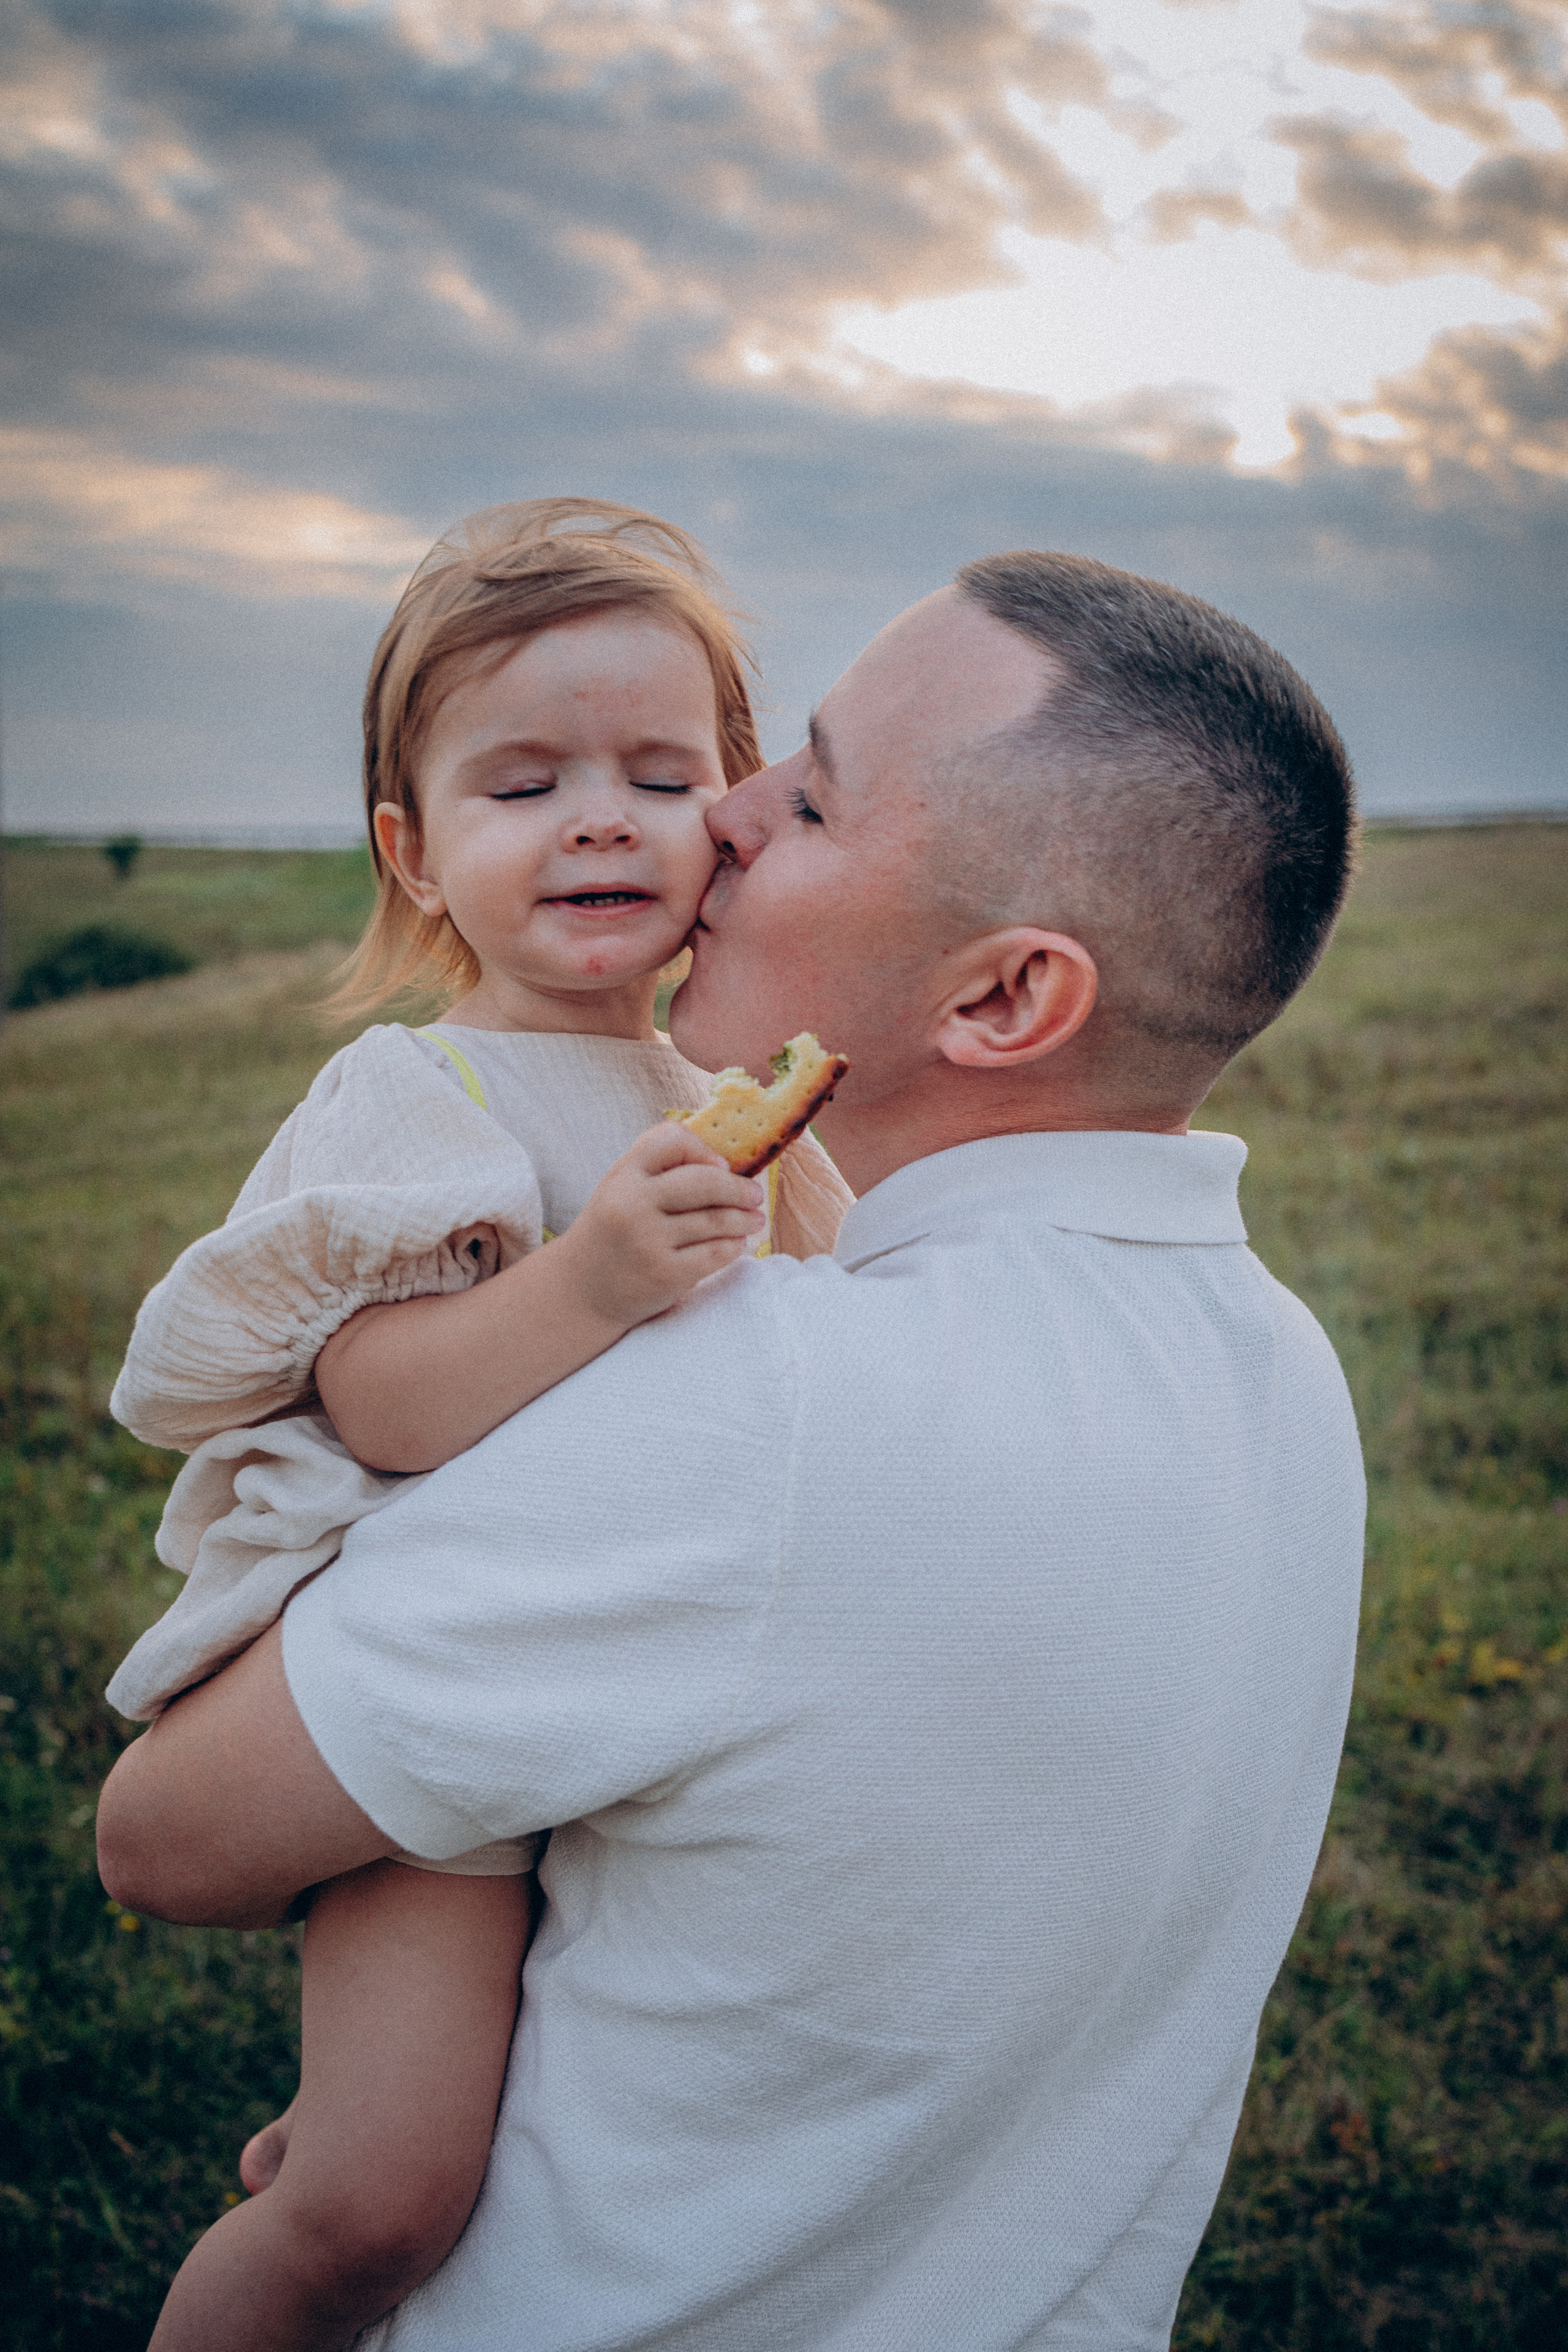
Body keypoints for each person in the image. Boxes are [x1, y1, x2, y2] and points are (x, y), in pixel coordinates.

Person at [99, 548, 1366, 2352]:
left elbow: (159, 1839)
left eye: (810, 790)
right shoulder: (1285, 1378)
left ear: (1005, 1002)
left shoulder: (759, 1402)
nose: (729, 819)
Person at [102, 499, 852, 2350]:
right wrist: (589, 1280)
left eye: (659, 774)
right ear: (416, 854)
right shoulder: (418, 1089)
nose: (600, 817)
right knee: (382, 2205)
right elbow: (375, 1396)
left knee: (559, 2136)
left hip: (637, 1694)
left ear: (733, 814)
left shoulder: (739, 1091)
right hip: (424, 1716)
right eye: (521, 787)